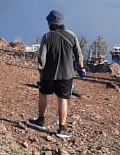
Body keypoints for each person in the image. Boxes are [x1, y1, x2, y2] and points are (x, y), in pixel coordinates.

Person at [26, 9, 85, 139]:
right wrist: (81, 69)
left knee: (43, 94)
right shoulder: (71, 35)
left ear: (50, 23)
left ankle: (41, 121)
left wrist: (41, 75)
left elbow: (41, 59)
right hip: (67, 74)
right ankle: (62, 129)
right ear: (61, 22)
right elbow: (79, 55)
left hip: (49, 74)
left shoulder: (47, 37)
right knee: (63, 99)